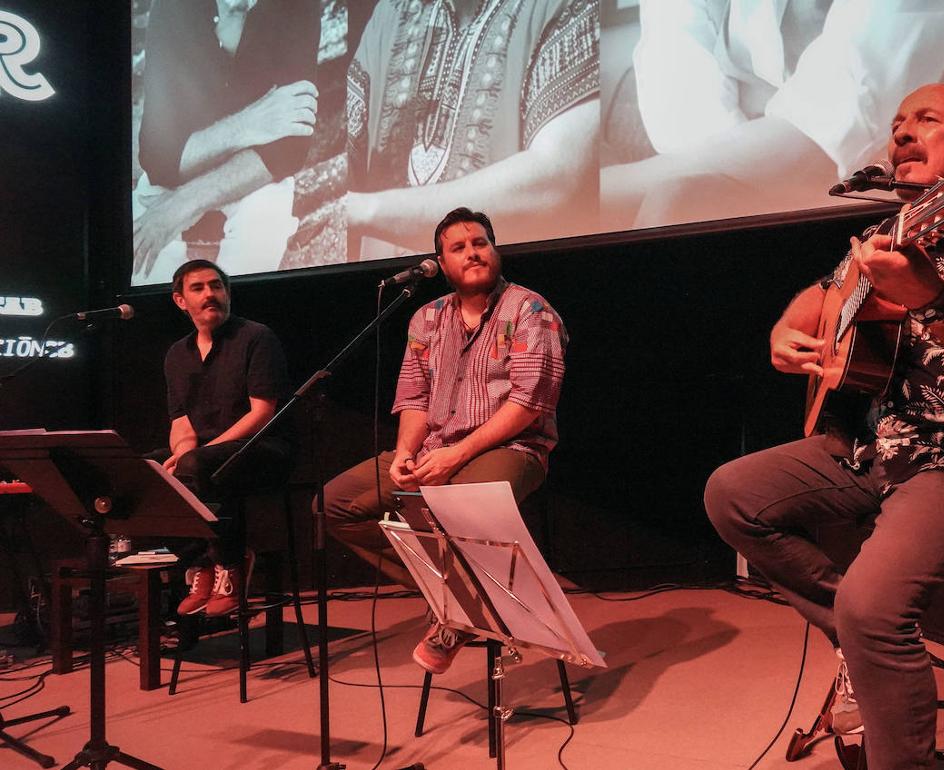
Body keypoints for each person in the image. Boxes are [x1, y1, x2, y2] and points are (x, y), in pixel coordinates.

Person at [703, 84, 944, 770]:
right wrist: (788, 331)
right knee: (732, 494)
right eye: (897, 124)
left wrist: (930, 298)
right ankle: (853, 629)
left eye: (925, 121)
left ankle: (865, 639)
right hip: (875, 446)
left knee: (875, 611)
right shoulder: (885, 236)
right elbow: (822, 298)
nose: (902, 133)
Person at [323, 206, 568, 674]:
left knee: (457, 501)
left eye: (480, 243)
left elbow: (529, 404)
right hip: (434, 447)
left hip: (511, 449)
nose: (473, 253)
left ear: (495, 251)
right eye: (459, 248)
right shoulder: (426, 318)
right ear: (441, 262)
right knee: (336, 504)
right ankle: (458, 593)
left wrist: (456, 453)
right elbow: (414, 399)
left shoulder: (531, 310)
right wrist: (408, 453)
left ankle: (457, 610)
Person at [601, 0, 944, 230]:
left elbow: (823, 136)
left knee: (678, 202)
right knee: (681, 198)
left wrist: (611, 190)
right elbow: (679, 106)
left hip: (906, 205)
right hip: (777, 195)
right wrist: (760, 153)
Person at [344, 0, 599, 259]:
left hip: (508, 289)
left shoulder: (562, 7)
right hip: (391, 289)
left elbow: (555, 179)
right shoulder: (391, 11)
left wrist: (364, 210)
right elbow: (342, 163)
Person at [132, 0, 320, 285]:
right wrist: (248, 125)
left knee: (258, 243)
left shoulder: (297, 6)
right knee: (142, 268)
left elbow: (288, 150)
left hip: (254, 175)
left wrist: (182, 203)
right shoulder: (173, 8)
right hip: (180, 172)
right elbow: (158, 158)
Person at [159, 259, 293, 616]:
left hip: (262, 448)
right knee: (152, 468)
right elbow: (182, 424)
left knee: (197, 465)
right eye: (198, 288)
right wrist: (180, 454)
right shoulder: (176, 354)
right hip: (205, 456)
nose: (210, 295)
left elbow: (262, 412)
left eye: (216, 286)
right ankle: (201, 564)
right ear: (180, 301)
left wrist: (196, 456)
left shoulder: (255, 337)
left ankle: (228, 564)